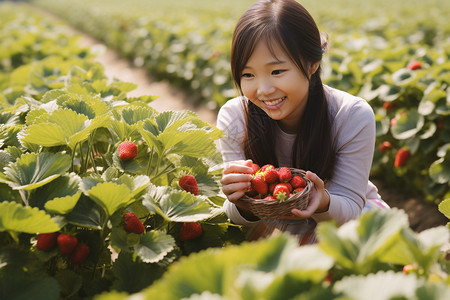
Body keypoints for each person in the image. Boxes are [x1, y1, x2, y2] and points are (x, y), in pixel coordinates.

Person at [216, 0, 389, 244]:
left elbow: (350, 210)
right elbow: (235, 217)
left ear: (312, 64)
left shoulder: (351, 115)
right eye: (248, 74)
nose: (263, 90)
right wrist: (239, 200)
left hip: (343, 223)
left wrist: (323, 201)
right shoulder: (235, 117)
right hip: (270, 226)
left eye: (277, 71)